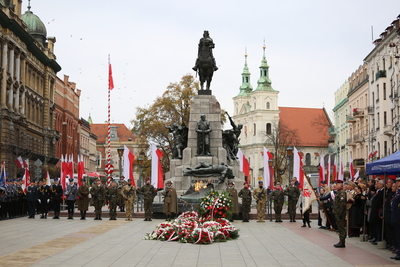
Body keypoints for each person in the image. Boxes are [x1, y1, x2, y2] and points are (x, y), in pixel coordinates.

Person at [333, 180, 347, 248]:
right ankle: (340, 241)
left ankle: (342, 242)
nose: (335, 185)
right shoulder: (339, 192)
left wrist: (340, 214)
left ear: (340, 184)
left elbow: (342, 204)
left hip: (340, 214)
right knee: (339, 227)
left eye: (337, 184)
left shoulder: (342, 193)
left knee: (341, 228)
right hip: (338, 213)